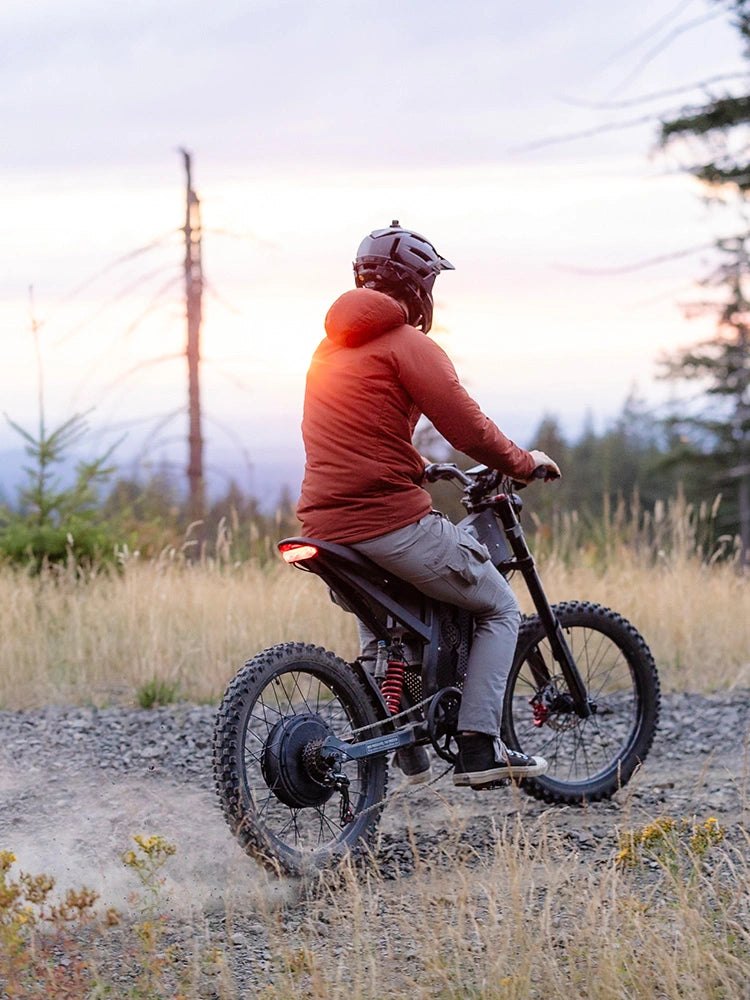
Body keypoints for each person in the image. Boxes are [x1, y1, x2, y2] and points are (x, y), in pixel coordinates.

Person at [297, 221, 561, 788]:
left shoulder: (329, 349)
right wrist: (523, 462)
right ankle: (478, 748)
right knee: (499, 608)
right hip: (386, 521)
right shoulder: (410, 345)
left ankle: (404, 753)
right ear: (417, 286)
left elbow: (352, 436)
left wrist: (414, 467)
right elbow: (469, 429)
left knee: (387, 634)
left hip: (323, 527)